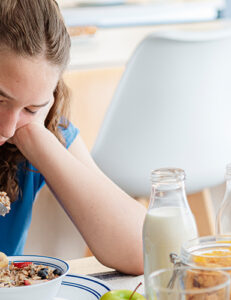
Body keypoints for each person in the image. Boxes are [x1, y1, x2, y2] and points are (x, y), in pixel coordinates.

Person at [0, 0, 146, 275]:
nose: (8, 128)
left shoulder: (35, 130)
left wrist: (36, 137)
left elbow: (142, 250)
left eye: (31, 107)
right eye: (0, 99)